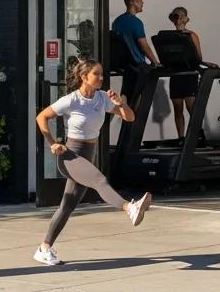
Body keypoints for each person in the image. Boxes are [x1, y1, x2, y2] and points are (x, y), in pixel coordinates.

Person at [34, 57, 151, 266]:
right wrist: (52, 143)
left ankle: (44, 248)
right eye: (96, 74)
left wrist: (120, 104)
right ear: (84, 76)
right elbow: (41, 117)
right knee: (99, 180)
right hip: (70, 155)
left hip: (89, 153)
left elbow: (130, 118)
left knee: (67, 206)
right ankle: (129, 208)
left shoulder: (102, 98)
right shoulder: (71, 100)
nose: (101, 78)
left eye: (102, 74)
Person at [112, 0, 159, 105]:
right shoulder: (136, 22)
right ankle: (132, 116)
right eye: (140, 0)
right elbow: (144, 46)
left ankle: (127, 115)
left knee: (127, 96)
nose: (143, 3)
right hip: (137, 65)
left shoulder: (117, 21)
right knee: (138, 99)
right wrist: (155, 62)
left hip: (124, 65)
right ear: (132, 2)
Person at [167, 7, 204, 142]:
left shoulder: (191, 35)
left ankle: (198, 134)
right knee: (178, 108)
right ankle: (181, 137)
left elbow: (198, 56)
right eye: (175, 16)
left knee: (191, 107)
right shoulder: (170, 36)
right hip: (175, 74)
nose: (178, 19)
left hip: (188, 74)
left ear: (185, 18)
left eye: (180, 16)